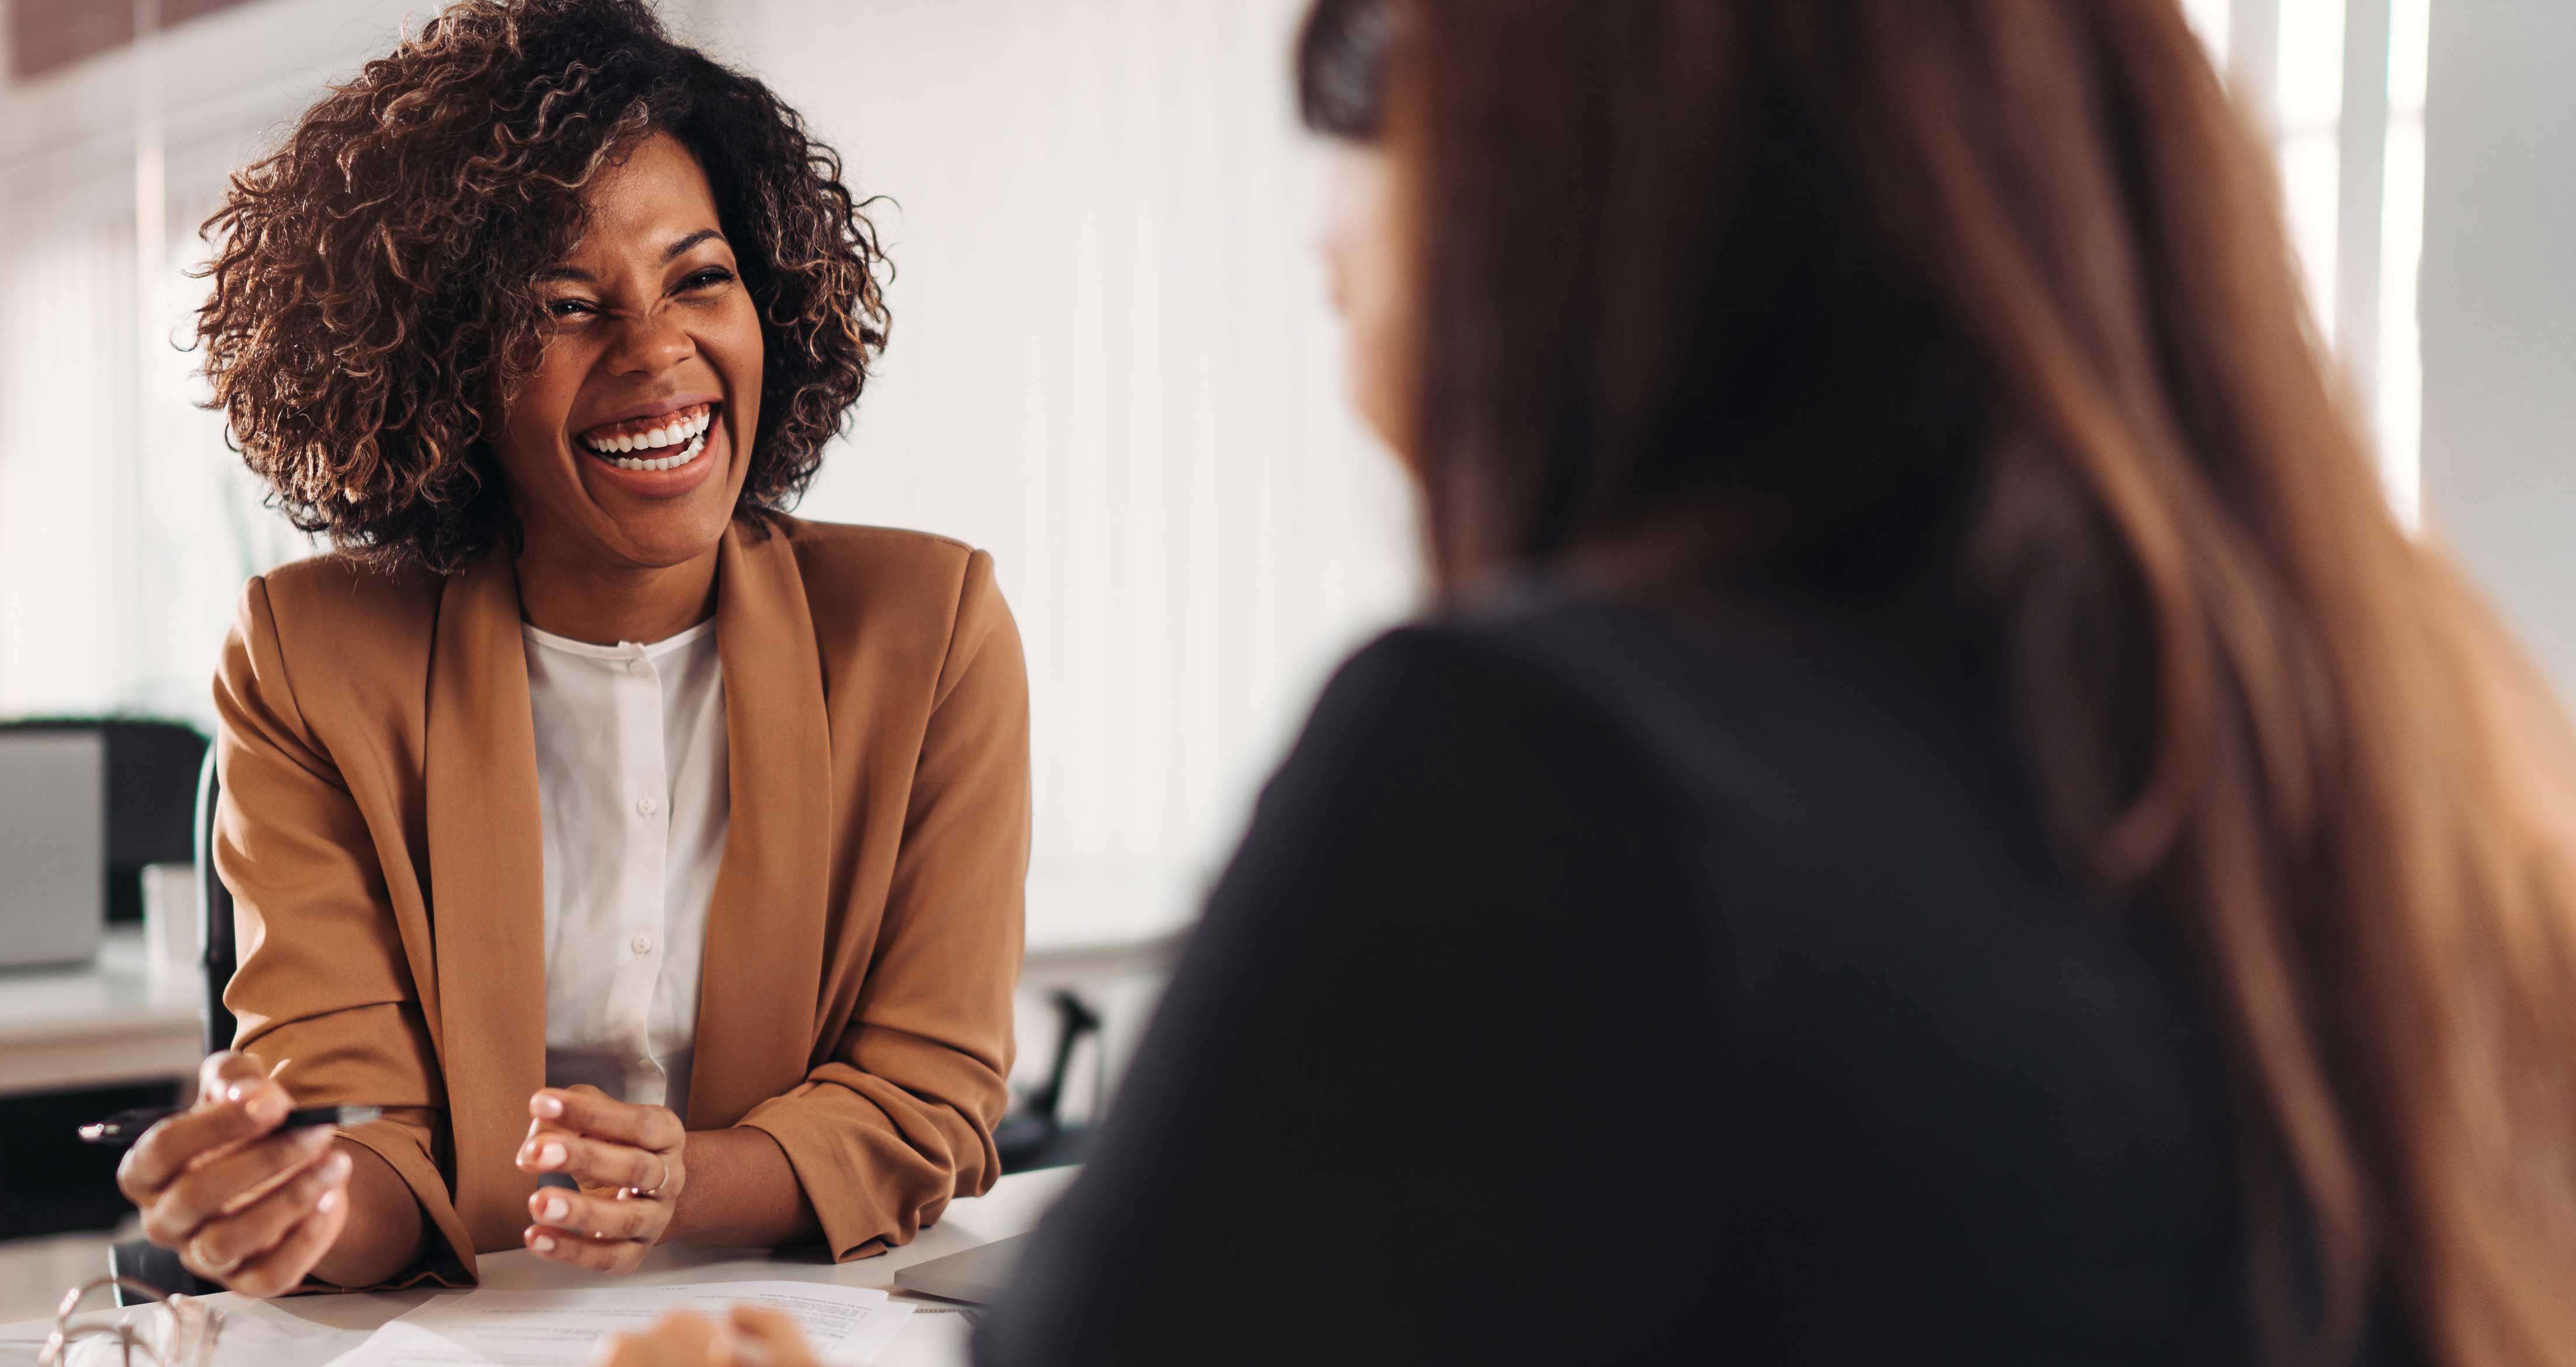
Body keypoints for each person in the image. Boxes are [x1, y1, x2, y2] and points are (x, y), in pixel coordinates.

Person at [606, 0, 2576, 1362]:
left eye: (1370, 99)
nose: (1324, 236)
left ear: (1585, 169)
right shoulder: (2402, 751)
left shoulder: (1538, 776)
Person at [109, 0, 1030, 1297]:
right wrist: (292, 1200)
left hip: (808, 1319)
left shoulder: (926, 630)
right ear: (443, 369)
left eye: (698, 277)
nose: (657, 352)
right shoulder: (310, 656)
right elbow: (364, 1136)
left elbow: (927, 1094)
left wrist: (682, 1182)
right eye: (562, 304)